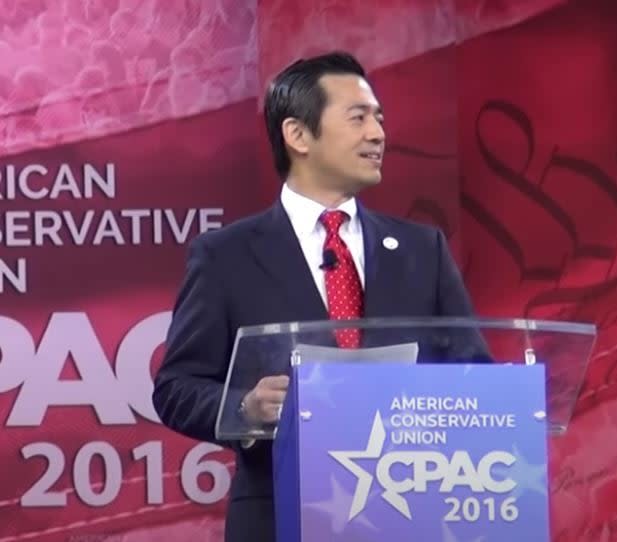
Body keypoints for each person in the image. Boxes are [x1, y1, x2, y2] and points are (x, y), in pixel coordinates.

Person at [152, 51, 488, 542]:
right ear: (298, 135)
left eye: (379, 119)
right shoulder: (225, 256)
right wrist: (245, 407)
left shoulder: (422, 249)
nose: (378, 134)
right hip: (279, 514)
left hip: (413, 511)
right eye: (358, 118)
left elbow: (474, 375)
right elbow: (177, 387)